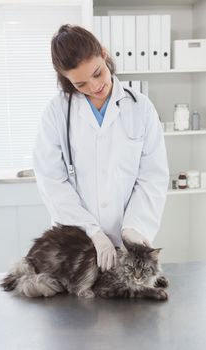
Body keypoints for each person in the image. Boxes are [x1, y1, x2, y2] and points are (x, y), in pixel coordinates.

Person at [33, 24, 169, 273]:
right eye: (80, 83)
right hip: (76, 247)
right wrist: (92, 231)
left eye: (97, 73)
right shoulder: (56, 112)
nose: (94, 86)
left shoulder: (141, 108)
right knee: (72, 309)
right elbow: (52, 181)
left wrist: (134, 228)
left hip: (129, 248)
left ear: (104, 54)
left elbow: (152, 177)